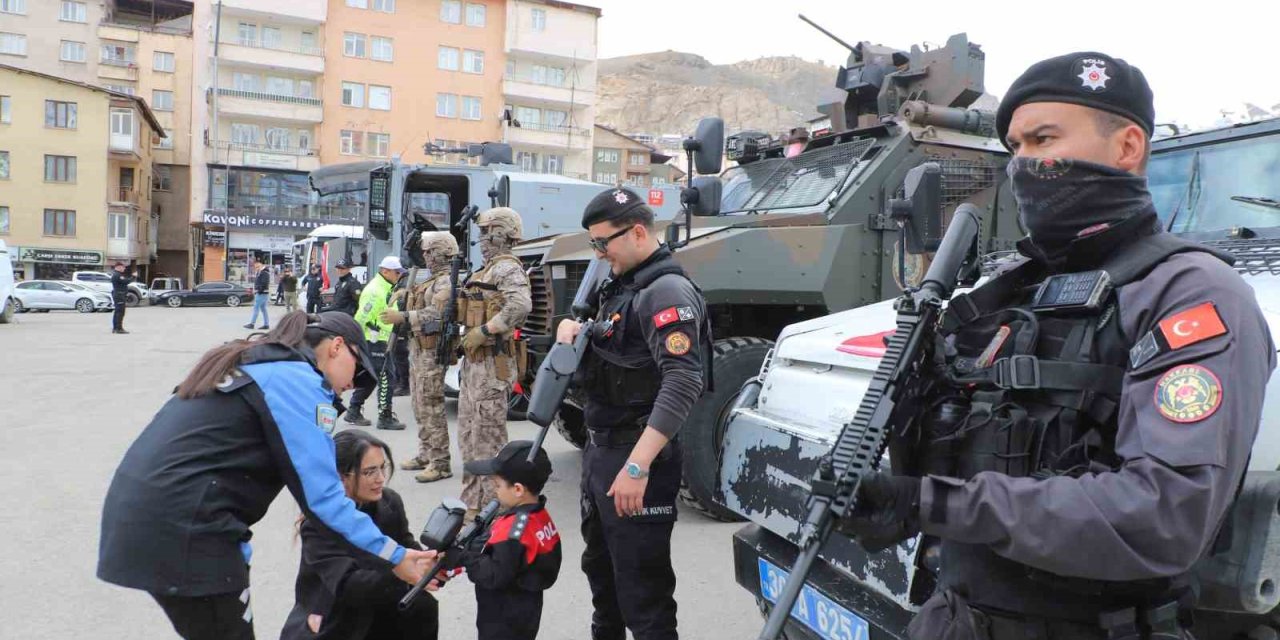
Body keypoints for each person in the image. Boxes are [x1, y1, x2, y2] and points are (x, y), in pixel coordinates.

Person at [837, 52, 1275, 640]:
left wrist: (931, 504)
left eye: (1043, 139)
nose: (1023, 164)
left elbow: (1165, 516)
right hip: (956, 616)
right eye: (1015, 147)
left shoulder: (1191, 294)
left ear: (1126, 148)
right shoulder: (1010, 292)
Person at [98, 311, 436, 640]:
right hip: (187, 530)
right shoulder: (296, 381)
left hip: (151, 519)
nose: (351, 385)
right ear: (336, 347)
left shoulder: (256, 365)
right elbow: (323, 498)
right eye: (357, 369)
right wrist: (395, 557)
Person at [555, 187, 712, 640]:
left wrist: (638, 466)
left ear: (638, 231)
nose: (599, 255)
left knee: (644, 598)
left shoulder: (667, 292)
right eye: (594, 245)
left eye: (603, 243)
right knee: (604, 582)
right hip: (603, 451)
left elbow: (683, 381)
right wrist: (576, 332)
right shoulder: (624, 285)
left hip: (635, 455)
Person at [281, 430, 438, 640]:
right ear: (340, 475)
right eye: (369, 472)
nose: (381, 479)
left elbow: (404, 543)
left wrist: (435, 561)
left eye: (383, 468)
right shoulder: (319, 524)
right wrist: (403, 572)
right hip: (333, 615)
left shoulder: (389, 502)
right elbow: (349, 585)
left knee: (423, 606)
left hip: (379, 603)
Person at [444, 440, 561, 640]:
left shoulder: (513, 532)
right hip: (527, 608)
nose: (495, 490)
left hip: (504, 616)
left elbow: (493, 575)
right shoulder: (538, 515)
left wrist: (463, 556)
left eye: (497, 485)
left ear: (518, 490)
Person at [457, 207, 532, 518]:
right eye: (482, 233)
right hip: (475, 366)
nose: (483, 239)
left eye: (490, 232)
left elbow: (520, 305)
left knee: (488, 440)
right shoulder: (484, 270)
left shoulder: (506, 269)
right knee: (468, 437)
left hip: (491, 365)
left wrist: (486, 329)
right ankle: (471, 505)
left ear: (505, 234)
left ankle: (492, 510)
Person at [380, 231, 459, 483]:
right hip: (419, 350)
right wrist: (405, 295)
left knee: (432, 406)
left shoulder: (446, 282)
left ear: (438, 253)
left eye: (428, 251)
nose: (424, 256)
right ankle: (426, 454)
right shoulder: (431, 280)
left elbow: (437, 313)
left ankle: (440, 462)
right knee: (419, 405)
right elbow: (421, 299)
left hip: (432, 352)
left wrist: (403, 317)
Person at [346, 255, 407, 430]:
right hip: (375, 340)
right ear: (385, 271)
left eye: (400, 273)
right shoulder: (375, 290)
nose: (399, 275)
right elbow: (361, 317)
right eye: (397, 272)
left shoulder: (386, 287)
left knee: (372, 377)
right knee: (388, 377)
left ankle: (354, 410)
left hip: (381, 339)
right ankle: (384, 416)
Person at [244, 259, 271, 330]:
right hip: (263, 293)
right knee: (263, 309)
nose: (256, 268)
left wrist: (258, 290)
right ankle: (266, 324)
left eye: (258, 267)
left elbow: (264, 283)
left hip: (261, 293)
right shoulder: (261, 272)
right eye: (255, 267)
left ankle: (252, 324)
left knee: (256, 308)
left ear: (262, 265)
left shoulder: (264, 273)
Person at [110, 262, 133, 334]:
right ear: (118, 267)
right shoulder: (117, 275)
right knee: (120, 312)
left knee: (117, 312)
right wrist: (133, 277)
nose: (124, 268)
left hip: (119, 295)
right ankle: (119, 328)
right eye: (123, 267)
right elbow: (126, 281)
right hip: (119, 295)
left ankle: (115, 328)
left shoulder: (116, 274)